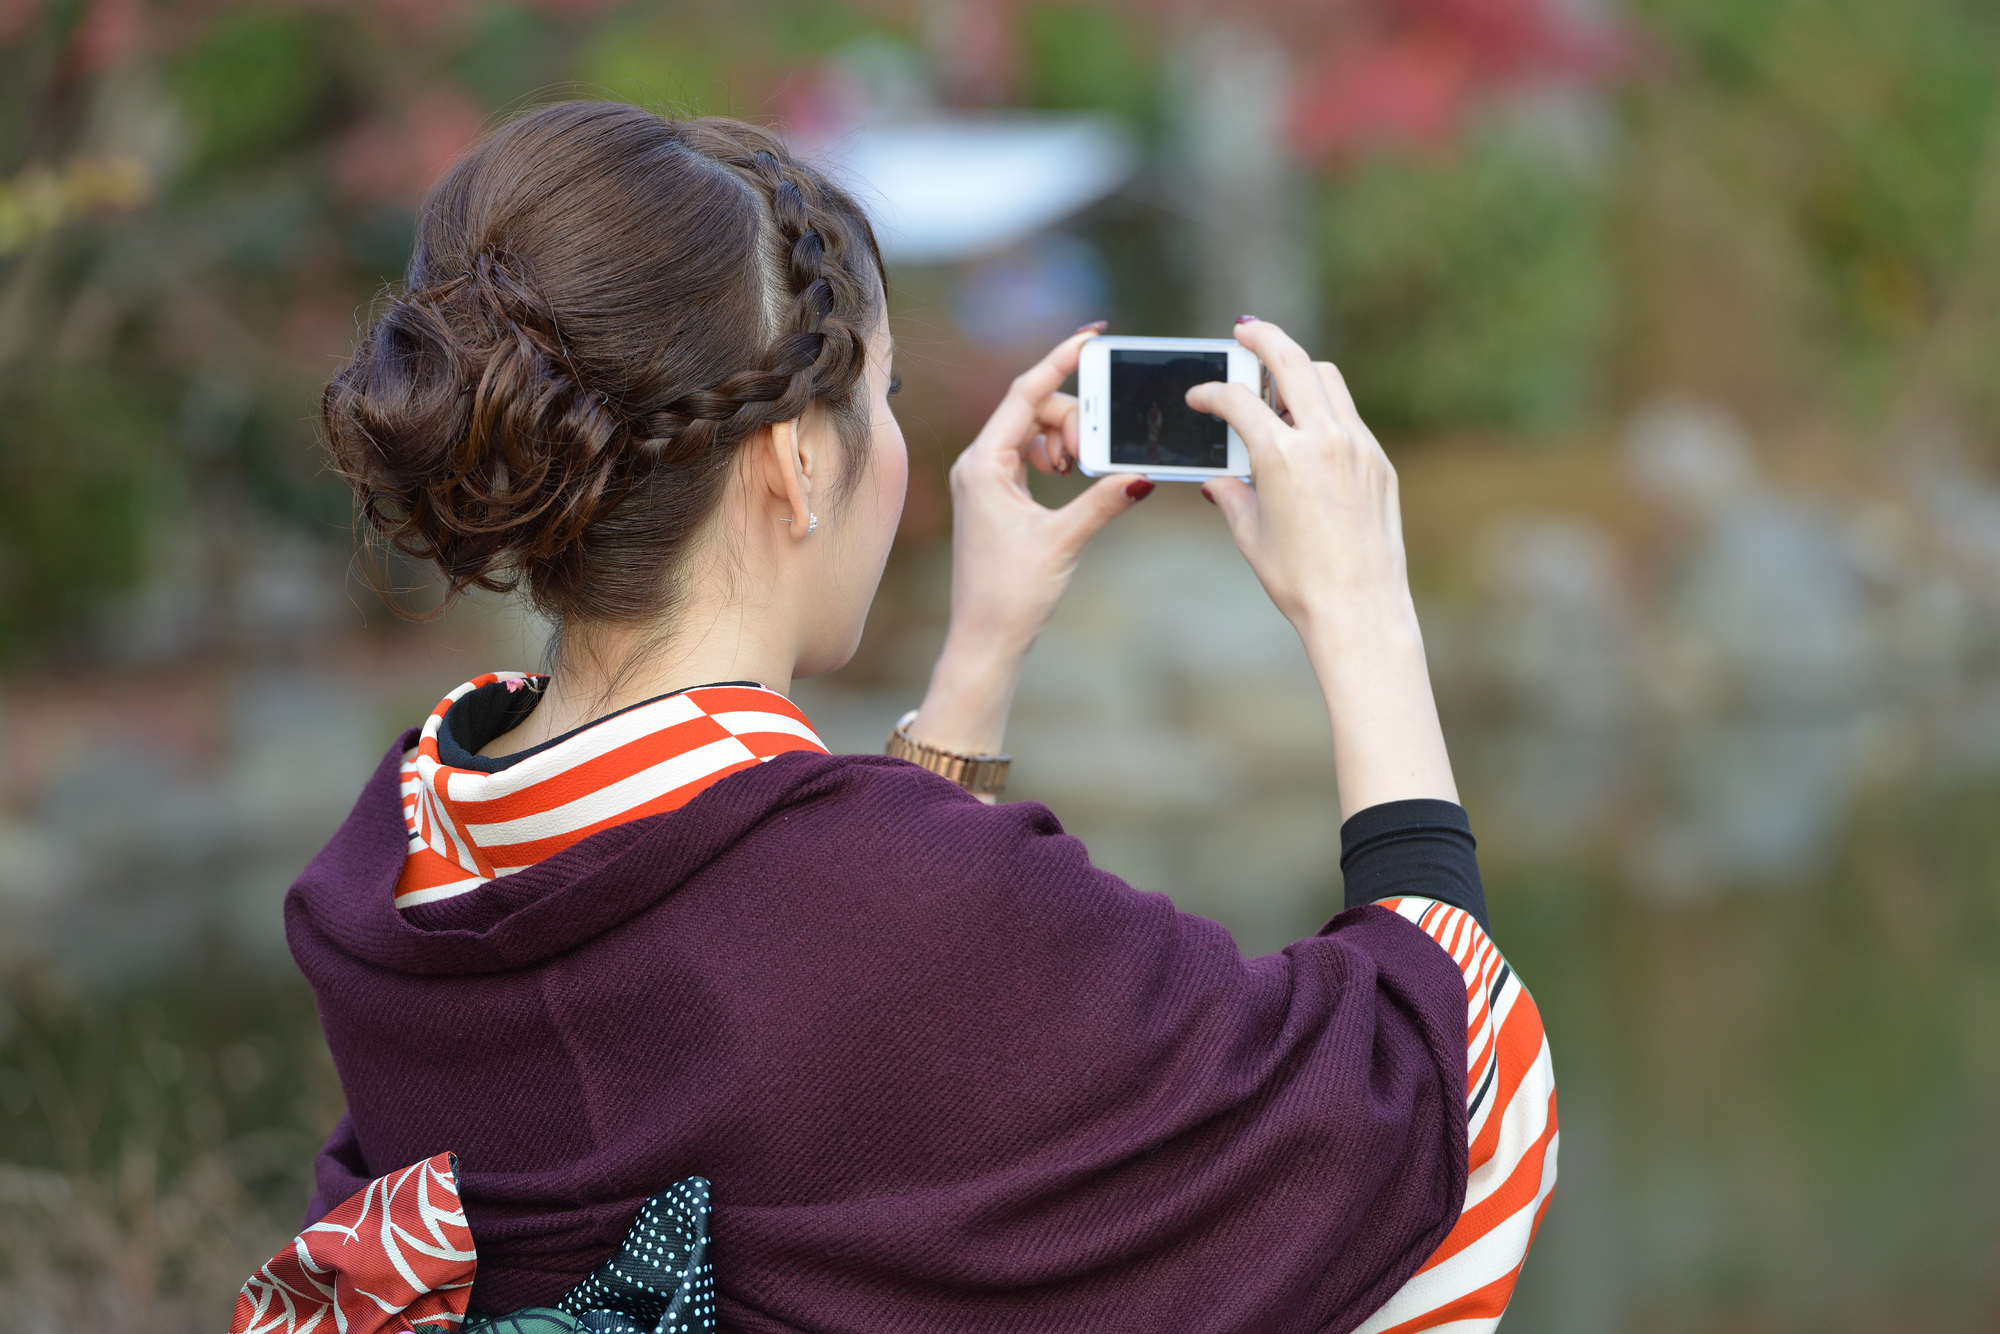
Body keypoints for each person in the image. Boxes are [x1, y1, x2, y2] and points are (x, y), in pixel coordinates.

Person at [254, 101, 1555, 1334]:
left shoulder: (405, 846)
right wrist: (1364, 611)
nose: (894, 443)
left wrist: (977, 658)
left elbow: (826, 1075)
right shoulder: (876, 896)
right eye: (877, 400)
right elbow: (1440, 1108)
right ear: (795, 460)